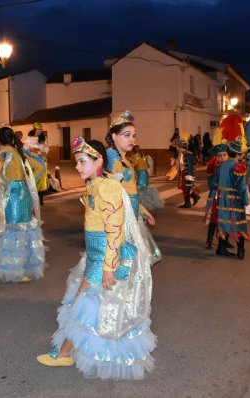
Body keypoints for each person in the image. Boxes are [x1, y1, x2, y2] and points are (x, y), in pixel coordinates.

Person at [36, 137, 156, 379]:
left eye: (82, 162)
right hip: (94, 255)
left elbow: (115, 230)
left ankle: (65, 354)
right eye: (77, 162)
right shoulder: (96, 184)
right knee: (90, 305)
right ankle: (67, 351)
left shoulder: (107, 187)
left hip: (103, 257)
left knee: (85, 304)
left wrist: (109, 267)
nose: (78, 167)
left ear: (98, 160)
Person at [0, 124, 46, 283]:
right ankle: (24, 266)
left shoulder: (1, 153)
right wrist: (29, 182)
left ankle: (13, 270)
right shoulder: (18, 152)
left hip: (11, 196)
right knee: (25, 230)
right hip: (23, 193)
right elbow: (40, 167)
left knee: (11, 231)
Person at [105, 110, 161, 265]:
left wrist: (142, 211)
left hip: (131, 214)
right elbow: (110, 193)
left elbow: (130, 191)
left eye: (134, 135)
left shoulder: (124, 158)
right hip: (121, 219)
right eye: (127, 135)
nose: (132, 139)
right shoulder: (112, 158)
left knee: (130, 261)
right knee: (123, 261)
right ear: (114, 136)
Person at [215, 141, 250, 259]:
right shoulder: (238, 166)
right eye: (243, 153)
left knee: (223, 222)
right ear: (237, 154)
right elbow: (242, 187)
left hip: (222, 199)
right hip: (234, 200)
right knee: (239, 224)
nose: (244, 155)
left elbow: (215, 181)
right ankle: (241, 251)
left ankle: (221, 248)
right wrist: (246, 202)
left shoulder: (222, 165)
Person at [204, 144, 230, 250]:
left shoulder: (231, 165)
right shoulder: (214, 167)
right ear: (217, 157)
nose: (223, 157)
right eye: (221, 155)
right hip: (217, 196)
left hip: (228, 196)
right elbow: (211, 183)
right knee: (214, 219)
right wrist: (219, 186)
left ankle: (225, 241)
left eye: (225, 155)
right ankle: (209, 240)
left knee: (227, 218)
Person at [132, 145, 164, 211]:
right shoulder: (142, 156)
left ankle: (142, 205)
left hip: (141, 174)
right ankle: (146, 204)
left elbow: (134, 164)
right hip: (145, 173)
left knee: (140, 188)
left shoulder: (136, 157)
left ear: (133, 151)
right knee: (144, 188)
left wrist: (128, 161)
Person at [176, 133, 200, 208]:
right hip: (183, 173)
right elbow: (181, 164)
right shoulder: (182, 154)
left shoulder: (187, 154)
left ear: (182, 147)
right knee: (184, 187)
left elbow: (189, 165)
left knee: (186, 187)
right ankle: (189, 201)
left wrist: (189, 175)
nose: (177, 148)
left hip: (187, 174)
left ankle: (192, 199)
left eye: (178, 147)